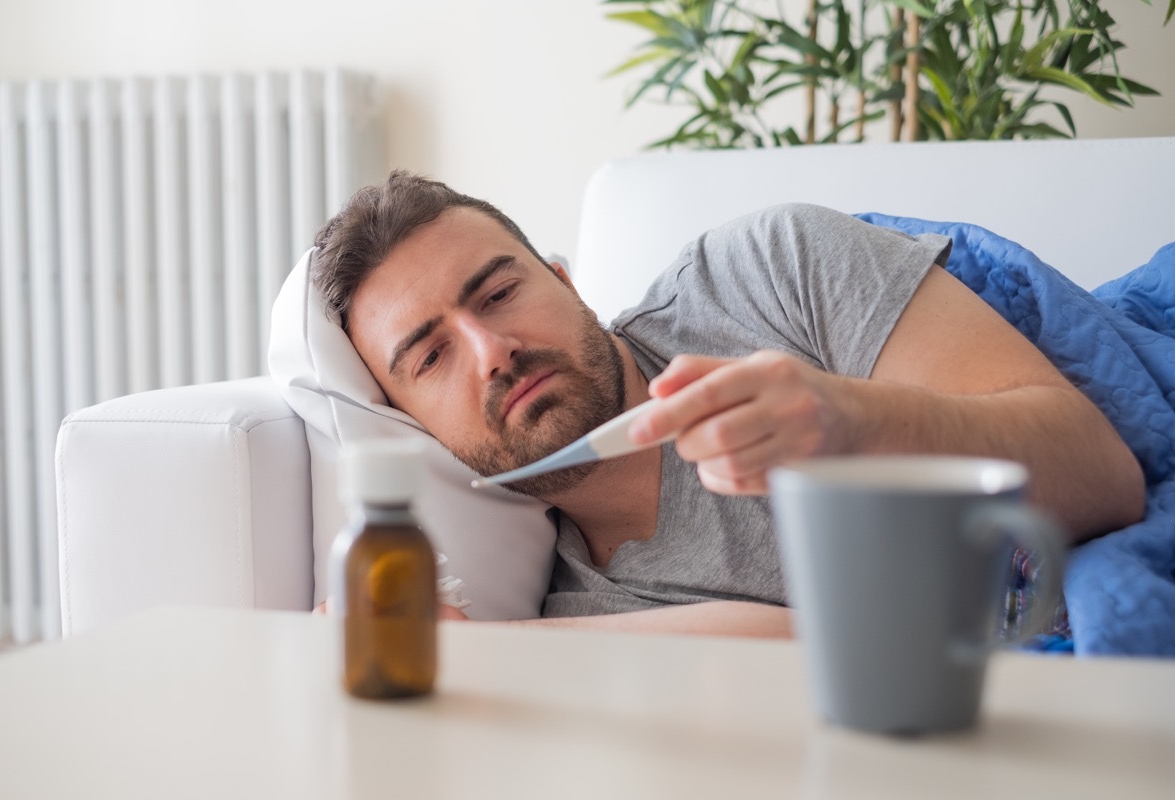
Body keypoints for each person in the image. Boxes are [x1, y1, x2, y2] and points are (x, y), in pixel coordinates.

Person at [310, 171, 1144, 638]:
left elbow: (1105, 473)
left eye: (498, 293)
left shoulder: (766, 274)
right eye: (431, 355)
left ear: (566, 284)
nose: (493, 353)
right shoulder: (579, 610)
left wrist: (854, 422)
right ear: (409, 427)